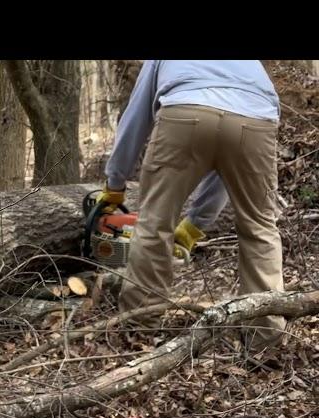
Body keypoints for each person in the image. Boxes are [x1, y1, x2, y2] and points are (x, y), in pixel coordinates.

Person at [97, 60, 284, 351]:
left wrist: (115, 183)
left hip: (185, 112)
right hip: (256, 120)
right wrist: (197, 223)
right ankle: (267, 339)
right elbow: (227, 163)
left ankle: (139, 329)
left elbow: (135, 118)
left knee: (154, 223)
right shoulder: (251, 66)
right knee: (260, 229)